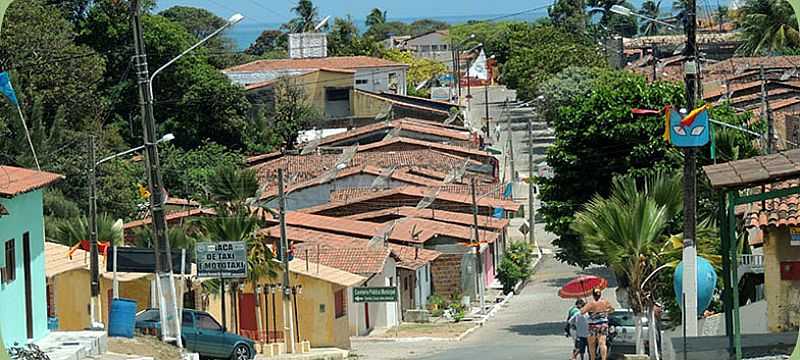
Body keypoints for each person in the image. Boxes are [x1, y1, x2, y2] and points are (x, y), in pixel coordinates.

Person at [582, 288, 614, 360]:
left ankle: (593, 358)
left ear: (593, 295)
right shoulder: (605, 302)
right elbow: (612, 309)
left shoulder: (591, 303)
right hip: (603, 325)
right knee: (602, 343)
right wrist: (605, 312)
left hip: (593, 326)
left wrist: (586, 306)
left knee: (591, 344)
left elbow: (582, 312)